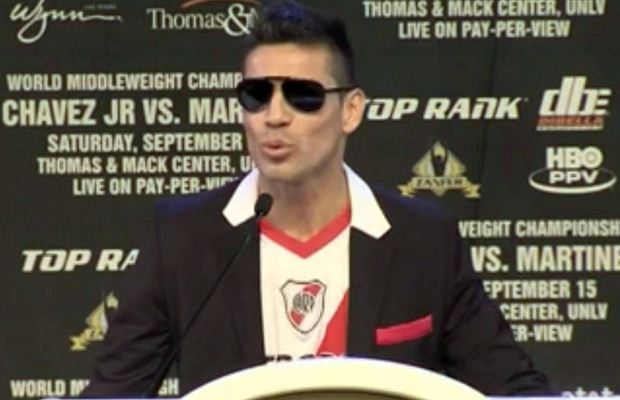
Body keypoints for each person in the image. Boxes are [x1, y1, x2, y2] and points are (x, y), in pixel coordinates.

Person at [82, 0, 550, 397]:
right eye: (256, 95)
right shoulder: (185, 237)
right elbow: (113, 393)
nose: (274, 116)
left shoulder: (424, 240)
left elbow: (513, 388)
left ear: (351, 111)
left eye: (302, 96)